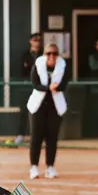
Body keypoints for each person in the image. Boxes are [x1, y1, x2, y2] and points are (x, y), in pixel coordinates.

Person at [27, 44, 69, 180]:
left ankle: (50, 167)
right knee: (36, 137)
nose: (51, 56)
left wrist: (57, 87)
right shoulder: (38, 65)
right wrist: (47, 88)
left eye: (54, 54)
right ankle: (33, 167)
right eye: (49, 53)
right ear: (45, 54)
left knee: (52, 137)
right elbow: (35, 83)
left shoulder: (63, 66)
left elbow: (65, 84)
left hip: (55, 106)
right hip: (38, 106)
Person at [14, 32, 42, 145]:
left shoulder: (43, 54)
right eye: (35, 40)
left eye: (39, 40)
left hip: (39, 88)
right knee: (24, 111)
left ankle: (36, 136)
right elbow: (24, 70)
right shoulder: (25, 54)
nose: (37, 42)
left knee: (38, 112)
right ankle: (21, 135)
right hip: (26, 87)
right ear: (30, 41)